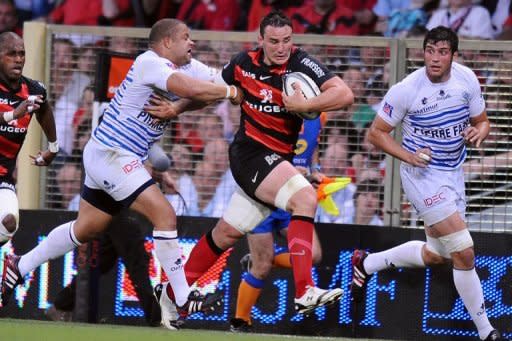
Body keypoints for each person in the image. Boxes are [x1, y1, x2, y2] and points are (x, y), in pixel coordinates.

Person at [0, 18, 241, 326]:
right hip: (113, 155)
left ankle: (19, 265)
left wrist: (241, 79)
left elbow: (216, 80)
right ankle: (181, 298)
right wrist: (232, 94)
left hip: (109, 154)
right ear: (167, 42)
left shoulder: (187, 65)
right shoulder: (149, 63)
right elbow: (194, 89)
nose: (192, 43)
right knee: (164, 214)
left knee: (87, 227)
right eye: (186, 37)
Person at [150, 10, 354, 329]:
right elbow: (210, 91)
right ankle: (305, 291)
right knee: (305, 199)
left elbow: (345, 94)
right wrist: (176, 107)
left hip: (274, 164)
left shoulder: (302, 64)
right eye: (274, 41)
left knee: (226, 233)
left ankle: (173, 297)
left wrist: (304, 106)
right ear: (260, 40)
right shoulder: (243, 63)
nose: (281, 47)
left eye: (287, 40)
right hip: (250, 155)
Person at [351, 26, 503, 341]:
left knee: (438, 254)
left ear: (453, 55)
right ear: (423, 52)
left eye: (442, 52)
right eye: (430, 50)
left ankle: (367, 263)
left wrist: (480, 133)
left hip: (453, 174)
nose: (435, 58)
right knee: (464, 251)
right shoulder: (406, 89)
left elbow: (483, 121)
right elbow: (376, 133)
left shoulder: (467, 80)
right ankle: (487, 332)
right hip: (421, 177)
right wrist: (407, 156)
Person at [229, 112, 327, 332]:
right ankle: (240, 322)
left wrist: (315, 171)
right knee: (261, 267)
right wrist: (290, 168)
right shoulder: (272, 105)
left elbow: (313, 146)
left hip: (294, 194)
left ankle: (264, 260)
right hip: (262, 192)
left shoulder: (320, 114)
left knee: (314, 255)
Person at [0, 31, 58, 247]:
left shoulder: (33, 89)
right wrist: (13, 114)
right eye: (11, 54)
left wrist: (53, 147)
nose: (18, 59)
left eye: (22, 54)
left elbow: (44, 110)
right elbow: (14, 114)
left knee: (8, 224)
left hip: (3, 176)